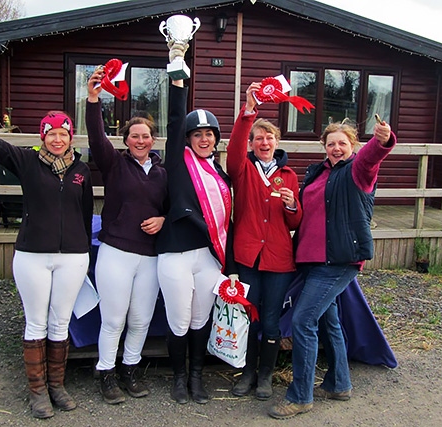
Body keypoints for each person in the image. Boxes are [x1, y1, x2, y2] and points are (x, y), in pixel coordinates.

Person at [0, 91, 93, 419]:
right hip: (32, 257)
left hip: (72, 257)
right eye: (51, 133)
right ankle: (37, 391)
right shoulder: (27, 161)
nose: (57, 139)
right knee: (36, 322)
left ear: (71, 137)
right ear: (43, 137)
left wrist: (83, 249)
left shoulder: (81, 170)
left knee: (61, 323)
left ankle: (57, 386)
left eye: (63, 133)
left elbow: (84, 214)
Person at [268, 117, 396, 419]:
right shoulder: (317, 173)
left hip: (338, 260)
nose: (336, 148)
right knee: (329, 321)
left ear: (352, 146)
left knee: (302, 320)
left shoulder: (357, 170)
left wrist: (383, 140)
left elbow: (372, 157)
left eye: (343, 143)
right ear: (324, 147)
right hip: (312, 260)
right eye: (331, 144)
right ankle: (339, 383)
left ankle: (300, 396)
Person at [85, 67, 167, 404]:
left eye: (145, 135)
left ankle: (130, 368)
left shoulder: (163, 172)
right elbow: (95, 135)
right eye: (134, 135)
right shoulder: (114, 164)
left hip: (149, 256)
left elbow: (173, 208)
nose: (140, 140)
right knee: (114, 318)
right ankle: (106, 371)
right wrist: (94, 99)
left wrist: (163, 219)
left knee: (140, 318)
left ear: (152, 139)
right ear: (126, 140)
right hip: (116, 252)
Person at [156, 76, 235, 405]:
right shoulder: (178, 163)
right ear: (188, 139)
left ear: (216, 139)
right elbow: (174, 123)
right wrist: (178, 84)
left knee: (202, 319)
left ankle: (197, 377)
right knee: (179, 320)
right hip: (175, 253)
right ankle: (177, 378)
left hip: (208, 256)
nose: (204, 139)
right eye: (197, 134)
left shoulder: (220, 174)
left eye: (209, 134)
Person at [226, 83, 302, 400]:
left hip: (278, 260)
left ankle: (267, 377)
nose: (264, 141)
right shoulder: (242, 169)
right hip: (248, 258)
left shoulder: (289, 175)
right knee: (250, 318)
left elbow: (295, 222)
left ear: (276, 142)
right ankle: (247, 373)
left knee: (271, 320)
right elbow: (233, 150)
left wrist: (290, 205)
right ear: (252, 143)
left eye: (269, 137)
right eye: (259, 138)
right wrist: (249, 111)